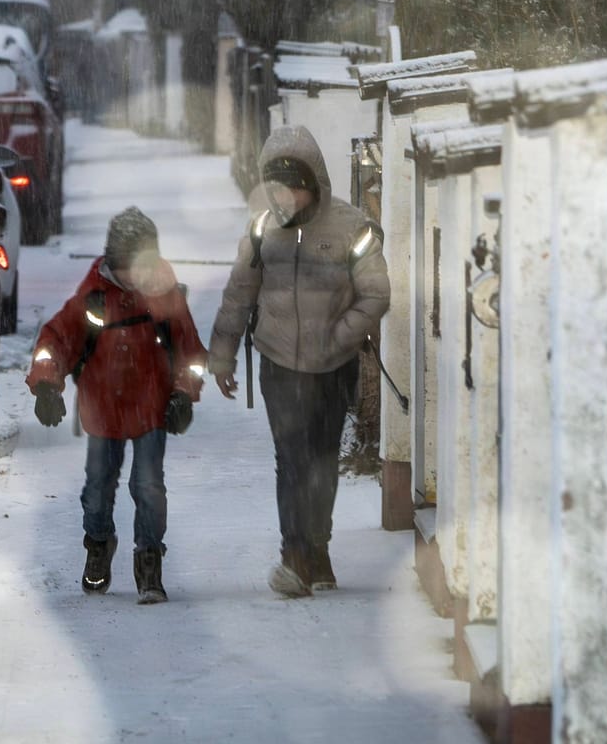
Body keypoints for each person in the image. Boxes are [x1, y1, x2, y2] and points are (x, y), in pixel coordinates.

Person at [207, 125, 390, 598]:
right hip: (279, 363)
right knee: (290, 460)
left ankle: (318, 550)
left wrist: (340, 337)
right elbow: (237, 295)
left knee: (323, 460)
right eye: (278, 184)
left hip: (333, 367)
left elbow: (375, 294)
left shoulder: (353, 228)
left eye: (296, 183)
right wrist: (222, 356)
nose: (288, 194)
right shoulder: (262, 229)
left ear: (316, 180)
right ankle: (294, 555)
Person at [27, 207, 210, 604]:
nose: (131, 277)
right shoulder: (93, 296)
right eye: (123, 267)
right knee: (97, 489)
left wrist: (184, 392)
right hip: (102, 409)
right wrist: (46, 385)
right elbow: (55, 340)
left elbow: (191, 352)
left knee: (148, 487)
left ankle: (149, 560)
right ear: (110, 260)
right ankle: (98, 544)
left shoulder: (165, 296)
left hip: (151, 407)